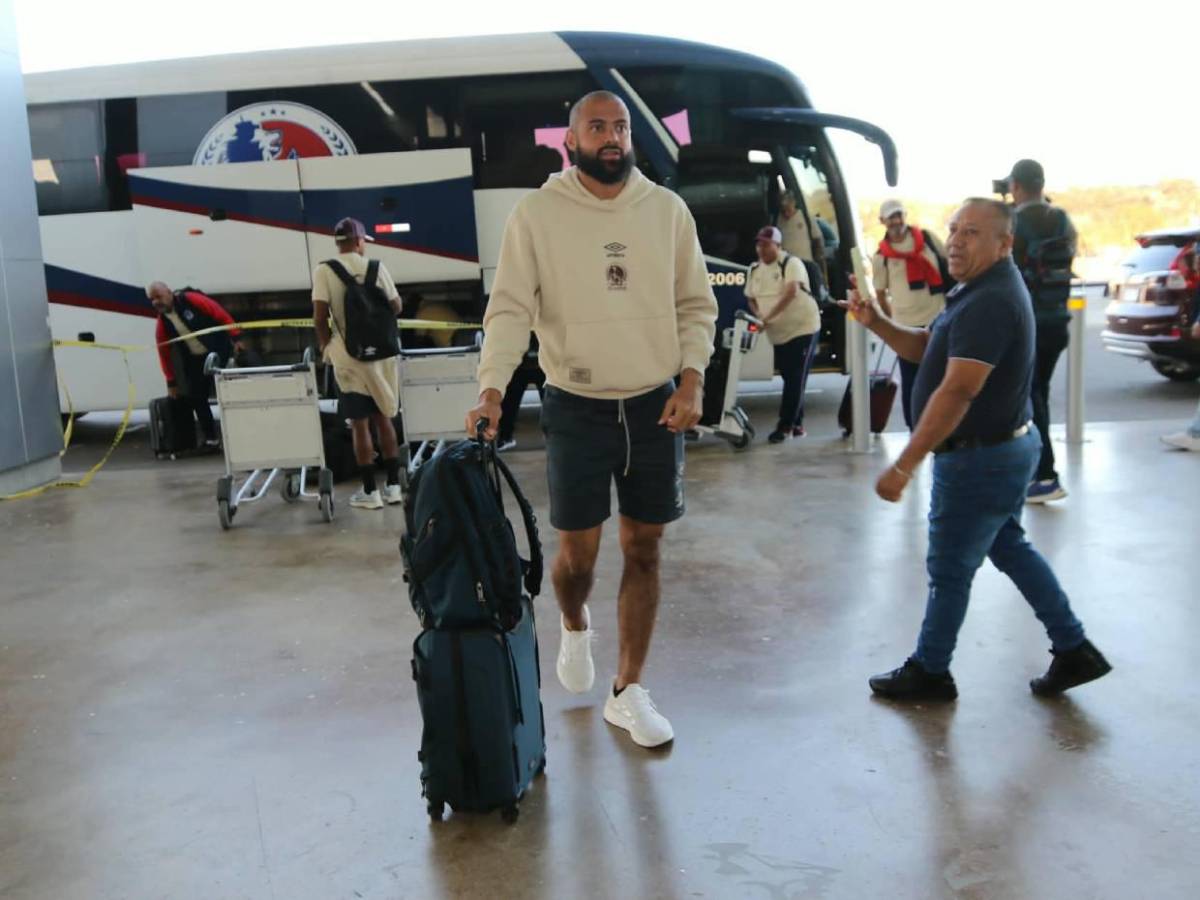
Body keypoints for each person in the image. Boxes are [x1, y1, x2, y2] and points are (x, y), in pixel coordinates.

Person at [466, 90, 718, 748]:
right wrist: (492, 389)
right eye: (596, 127)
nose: (611, 136)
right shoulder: (538, 214)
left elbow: (697, 304)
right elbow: (510, 309)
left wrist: (692, 378)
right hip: (575, 407)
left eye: (620, 126)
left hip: (653, 403)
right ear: (570, 142)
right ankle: (575, 624)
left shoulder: (666, 211)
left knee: (645, 548)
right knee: (577, 558)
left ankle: (628, 690)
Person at [840, 197, 1111, 701]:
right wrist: (876, 320)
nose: (957, 241)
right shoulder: (978, 289)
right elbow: (930, 347)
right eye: (954, 229)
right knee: (1007, 545)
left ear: (1004, 243)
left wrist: (904, 464)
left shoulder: (991, 300)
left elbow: (958, 388)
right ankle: (1074, 648)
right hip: (1001, 451)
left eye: (972, 232)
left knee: (949, 569)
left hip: (978, 459)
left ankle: (931, 670)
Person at [312, 217, 405, 510]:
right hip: (381, 358)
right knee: (384, 419)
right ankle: (392, 487)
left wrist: (326, 345)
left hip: (348, 357)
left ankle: (369, 491)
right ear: (360, 241)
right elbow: (396, 306)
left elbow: (319, 314)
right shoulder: (377, 267)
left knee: (360, 425)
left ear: (338, 242)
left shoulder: (324, 271)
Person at [1001, 159, 1078, 504]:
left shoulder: (1014, 223)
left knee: (1031, 398)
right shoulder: (1062, 220)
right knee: (1036, 395)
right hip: (1058, 320)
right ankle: (1037, 470)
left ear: (1016, 186)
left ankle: (1045, 474)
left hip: (1029, 325)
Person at [872, 199, 950, 429]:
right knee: (912, 381)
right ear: (882, 221)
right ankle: (914, 429)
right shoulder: (881, 257)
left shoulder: (927, 240)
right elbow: (880, 293)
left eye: (899, 215)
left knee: (942, 378)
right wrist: (890, 324)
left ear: (904, 216)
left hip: (938, 320)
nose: (896, 221)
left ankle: (941, 427)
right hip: (906, 326)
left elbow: (949, 264)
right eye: (891, 217)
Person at [745, 225, 820, 441]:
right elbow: (750, 296)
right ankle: (797, 424)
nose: (761, 249)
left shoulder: (791, 263)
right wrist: (759, 313)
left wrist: (766, 318)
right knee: (790, 376)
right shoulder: (754, 270)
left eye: (766, 244)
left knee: (795, 377)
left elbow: (791, 292)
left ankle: (784, 426)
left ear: (778, 246)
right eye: (759, 244)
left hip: (803, 327)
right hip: (778, 333)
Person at [148, 281, 245, 448]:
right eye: (152, 299)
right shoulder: (162, 323)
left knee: (229, 393)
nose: (156, 301)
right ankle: (211, 439)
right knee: (197, 398)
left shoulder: (191, 300)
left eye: (159, 296)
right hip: (195, 360)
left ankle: (240, 435)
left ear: (169, 293)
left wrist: (236, 337)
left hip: (218, 352)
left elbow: (219, 313)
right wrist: (171, 382)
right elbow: (164, 354)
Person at [496, 335, 545, 452]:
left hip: (540, 363)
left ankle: (505, 437)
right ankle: (505, 437)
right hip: (522, 364)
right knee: (509, 403)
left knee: (553, 405)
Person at [776, 190, 823, 263]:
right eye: (783, 211)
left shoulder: (805, 217)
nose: (786, 214)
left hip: (806, 264)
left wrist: (819, 261)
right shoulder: (777, 221)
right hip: (788, 265)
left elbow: (817, 240)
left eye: (788, 210)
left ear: (793, 203)